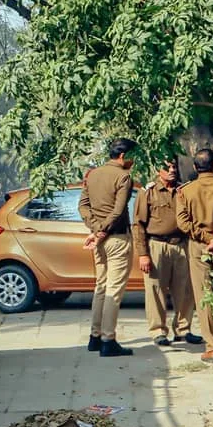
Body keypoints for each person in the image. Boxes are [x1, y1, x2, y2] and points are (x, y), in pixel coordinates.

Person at [132, 157, 202, 347]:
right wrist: (143, 254)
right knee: (156, 289)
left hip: (181, 245)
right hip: (157, 245)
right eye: (167, 167)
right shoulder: (148, 192)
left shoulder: (183, 191)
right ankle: (158, 331)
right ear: (157, 171)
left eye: (173, 166)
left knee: (186, 290)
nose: (172, 170)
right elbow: (138, 225)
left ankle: (183, 329)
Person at [78, 138, 137, 357]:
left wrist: (95, 230)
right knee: (113, 290)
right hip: (116, 238)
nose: (134, 161)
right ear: (122, 156)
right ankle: (108, 340)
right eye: (132, 156)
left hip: (100, 240)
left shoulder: (93, 174)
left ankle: (95, 336)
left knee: (101, 287)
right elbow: (118, 211)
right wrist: (102, 231)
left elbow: (82, 206)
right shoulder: (123, 176)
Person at [176, 148, 213, 363]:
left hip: (199, 247)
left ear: (196, 168)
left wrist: (206, 238)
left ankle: (212, 347)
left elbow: (182, 223)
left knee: (203, 295)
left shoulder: (185, 192)